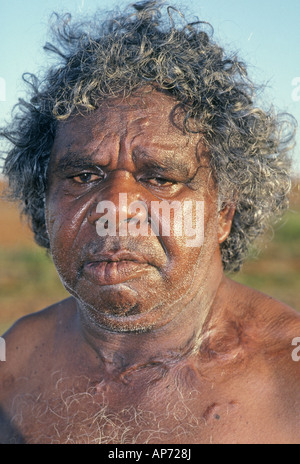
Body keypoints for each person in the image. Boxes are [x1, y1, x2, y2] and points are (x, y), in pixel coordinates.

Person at [0, 0, 299, 444]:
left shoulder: (289, 381)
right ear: (43, 202)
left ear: (223, 213)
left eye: (159, 178)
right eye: (84, 176)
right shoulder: (16, 364)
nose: (116, 209)